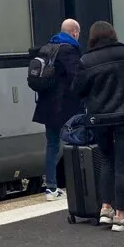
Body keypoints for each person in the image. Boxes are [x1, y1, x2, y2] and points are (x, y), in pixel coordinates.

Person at [73, 20, 124, 232]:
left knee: (106, 161)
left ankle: (106, 209)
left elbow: (78, 89)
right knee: (122, 164)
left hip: (99, 119)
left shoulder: (86, 60)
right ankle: (121, 216)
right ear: (113, 34)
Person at [30, 19, 83, 200]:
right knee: (76, 142)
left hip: (46, 106)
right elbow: (77, 77)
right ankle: (81, 183)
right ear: (74, 32)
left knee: (52, 146)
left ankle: (51, 188)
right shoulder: (69, 49)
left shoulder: (48, 47)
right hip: (65, 107)